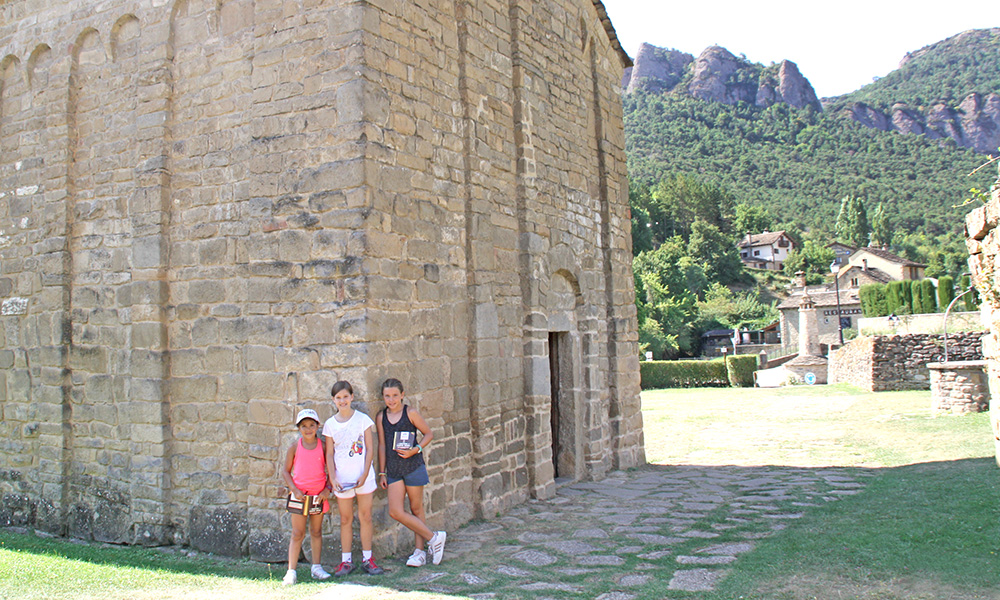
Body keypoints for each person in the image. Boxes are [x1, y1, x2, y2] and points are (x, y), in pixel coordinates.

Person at [376, 378, 446, 566]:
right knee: (395, 511)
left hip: (413, 466)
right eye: (387, 396)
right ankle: (434, 538)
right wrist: (382, 472)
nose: (391, 400)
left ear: (402, 395)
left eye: (395, 396)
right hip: (394, 470)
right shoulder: (381, 417)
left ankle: (419, 552)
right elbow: (382, 445)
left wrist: (416, 450)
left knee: (416, 509)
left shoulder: (411, 413)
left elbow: (428, 434)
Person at [323, 381, 384, 576]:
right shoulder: (330, 425)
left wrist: (365, 473)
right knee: (345, 519)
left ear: (352, 397)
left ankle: (368, 558)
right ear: (333, 400)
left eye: (345, 397)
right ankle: (346, 561)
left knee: (365, 516)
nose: (342, 401)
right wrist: (333, 478)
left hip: (362, 476)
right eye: (338, 398)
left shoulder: (362, 420)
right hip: (343, 479)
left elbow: (369, 448)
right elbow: (330, 454)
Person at [281, 408, 332, 585]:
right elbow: (286, 472)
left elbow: (332, 470)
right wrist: (294, 489)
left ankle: (316, 567)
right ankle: (291, 571)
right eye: (304, 426)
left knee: (316, 531)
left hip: (318, 497)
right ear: (299, 428)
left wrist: (328, 489)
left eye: (312, 425)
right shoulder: (294, 447)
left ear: (317, 426)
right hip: (299, 497)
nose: (308, 429)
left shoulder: (323, 447)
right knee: (297, 533)